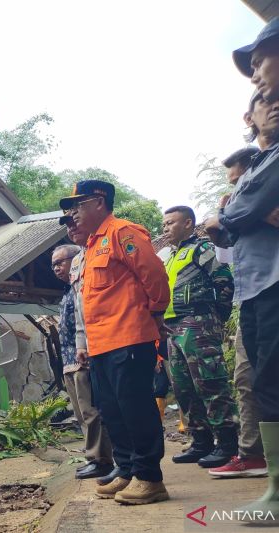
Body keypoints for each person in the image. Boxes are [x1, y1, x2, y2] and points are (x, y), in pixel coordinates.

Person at [202, 20, 279, 516]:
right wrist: (235, 214)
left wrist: (234, 214)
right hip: (256, 288)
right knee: (267, 385)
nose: (255, 79)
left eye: (259, 63)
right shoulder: (261, 163)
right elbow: (235, 219)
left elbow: (238, 214)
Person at [62, 180, 170, 505]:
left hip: (130, 338)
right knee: (112, 411)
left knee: (136, 408)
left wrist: (157, 315)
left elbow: (155, 276)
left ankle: (150, 478)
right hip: (100, 346)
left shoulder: (123, 232)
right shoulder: (92, 246)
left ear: (98, 201)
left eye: (76, 206)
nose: (72, 214)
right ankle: (126, 471)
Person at [160, 205, 237, 468]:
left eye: (171, 223)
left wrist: (217, 317)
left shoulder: (200, 250)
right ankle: (201, 442)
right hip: (173, 328)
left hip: (198, 323)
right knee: (184, 388)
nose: (166, 228)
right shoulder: (171, 257)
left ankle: (228, 444)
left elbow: (224, 281)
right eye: (164, 224)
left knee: (210, 383)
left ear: (188, 224)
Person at [52, 240, 114, 479]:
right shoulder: (69, 291)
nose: (56, 268)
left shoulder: (84, 286)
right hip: (69, 360)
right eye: (54, 265)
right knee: (80, 414)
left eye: (61, 262)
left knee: (91, 411)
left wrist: (85, 349)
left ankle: (101, 459)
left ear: (76, 260)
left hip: (84, 358)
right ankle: (94, 457)